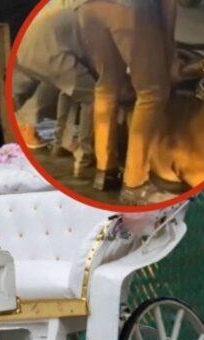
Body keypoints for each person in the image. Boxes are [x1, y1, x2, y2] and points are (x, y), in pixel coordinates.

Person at [77, 0, 179, 201]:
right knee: (152, 93)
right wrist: (170, 52)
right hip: (130, 7)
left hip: (85, 8)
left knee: (107, 84)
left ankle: (105, 171)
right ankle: (136, 183)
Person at [14, 0, 96, 178]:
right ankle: (86, 156)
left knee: (68, 85)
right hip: (49, 49)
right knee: (94, 95)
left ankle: (61, 141)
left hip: (35, 47)